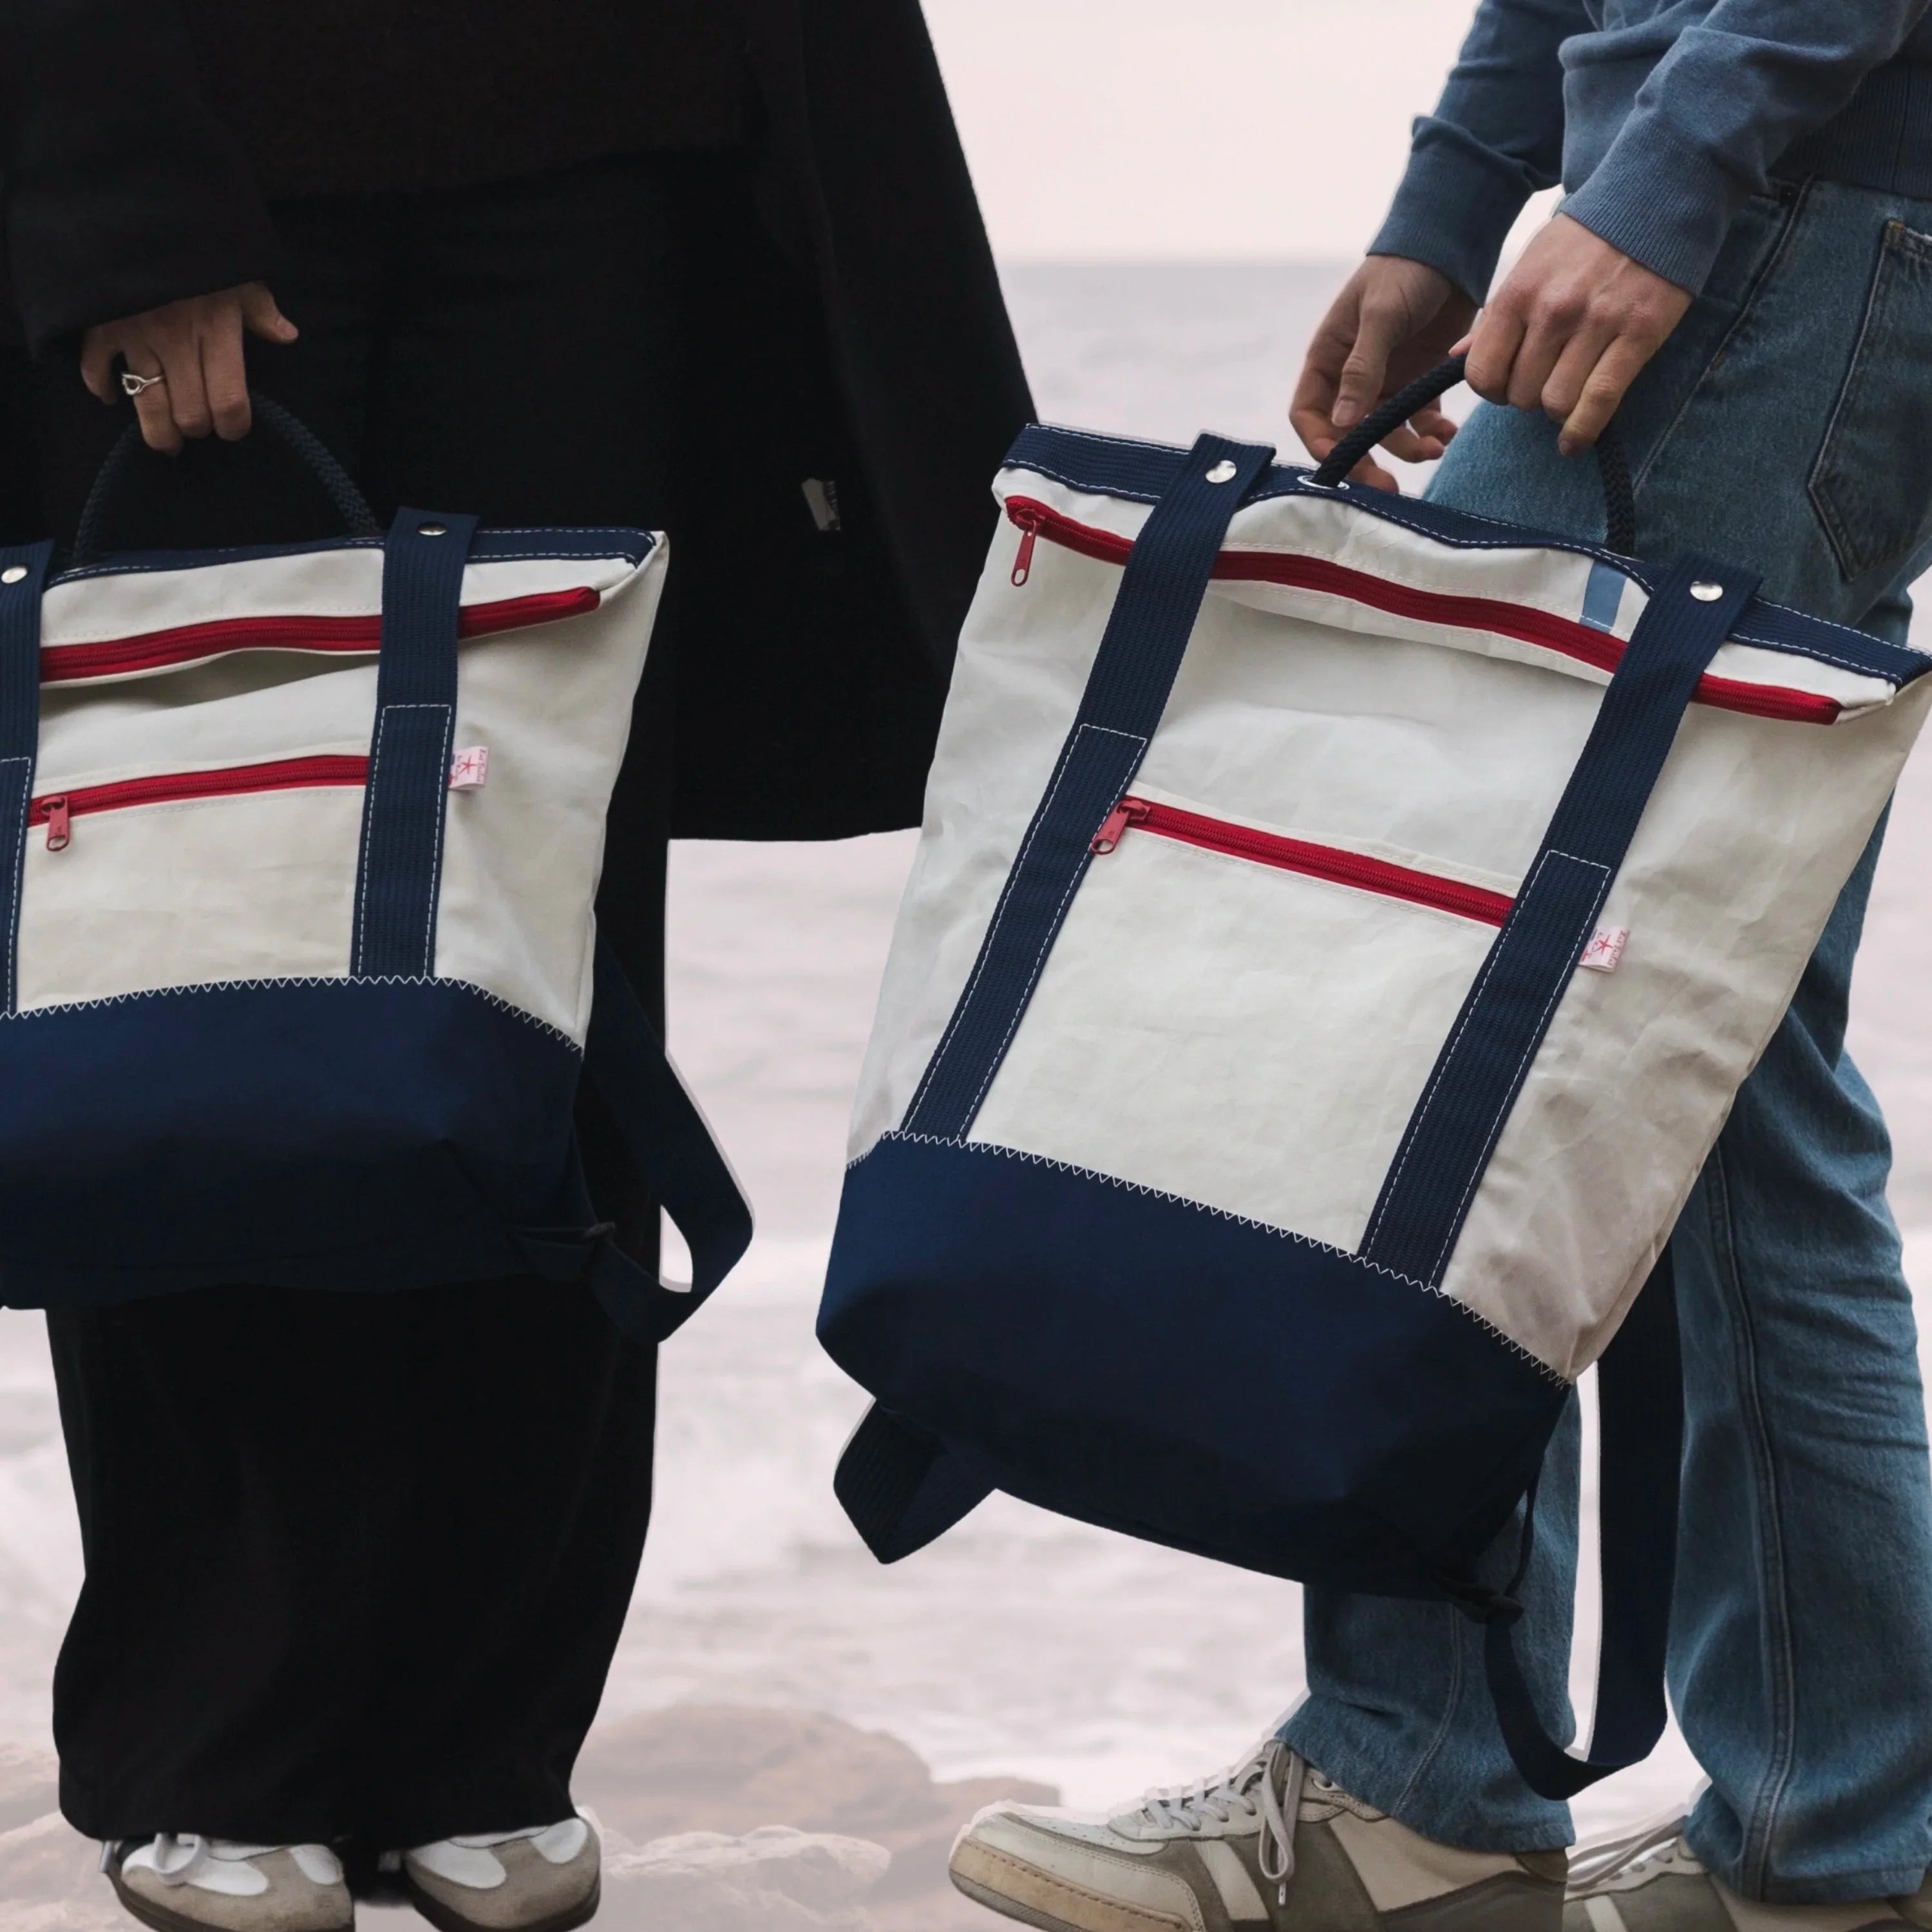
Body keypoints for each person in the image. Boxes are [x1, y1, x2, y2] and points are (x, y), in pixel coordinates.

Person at [0, 3, 1030, 1929]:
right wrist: (116, 211)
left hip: (622, 169)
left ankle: (486, 1742)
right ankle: (224, 1743)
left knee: (548, 966)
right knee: (207, 966)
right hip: (222, 187)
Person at [950, 2, 1932, 1928]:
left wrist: (1659, 174)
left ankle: (1427, 1793)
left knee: (1487, 1032)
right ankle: (1833, 1832)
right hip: (1786, 215)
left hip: (1774, 220)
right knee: (1707, 1072)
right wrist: (1460, 200)